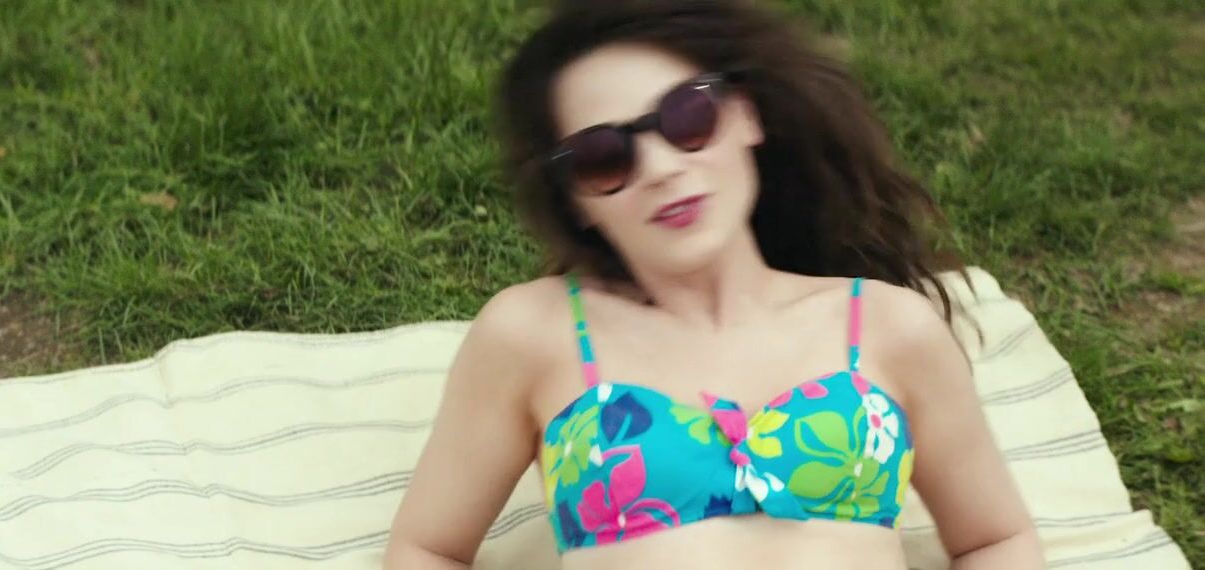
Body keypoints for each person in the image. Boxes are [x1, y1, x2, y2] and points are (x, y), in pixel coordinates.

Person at [386, 0, 1041, 567]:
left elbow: (995, 539)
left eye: (687, 117)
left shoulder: (889, 326)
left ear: (747, 115)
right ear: (576, 198)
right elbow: (427, 549)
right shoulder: (534, 333)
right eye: (604, 157)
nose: (661, 168)